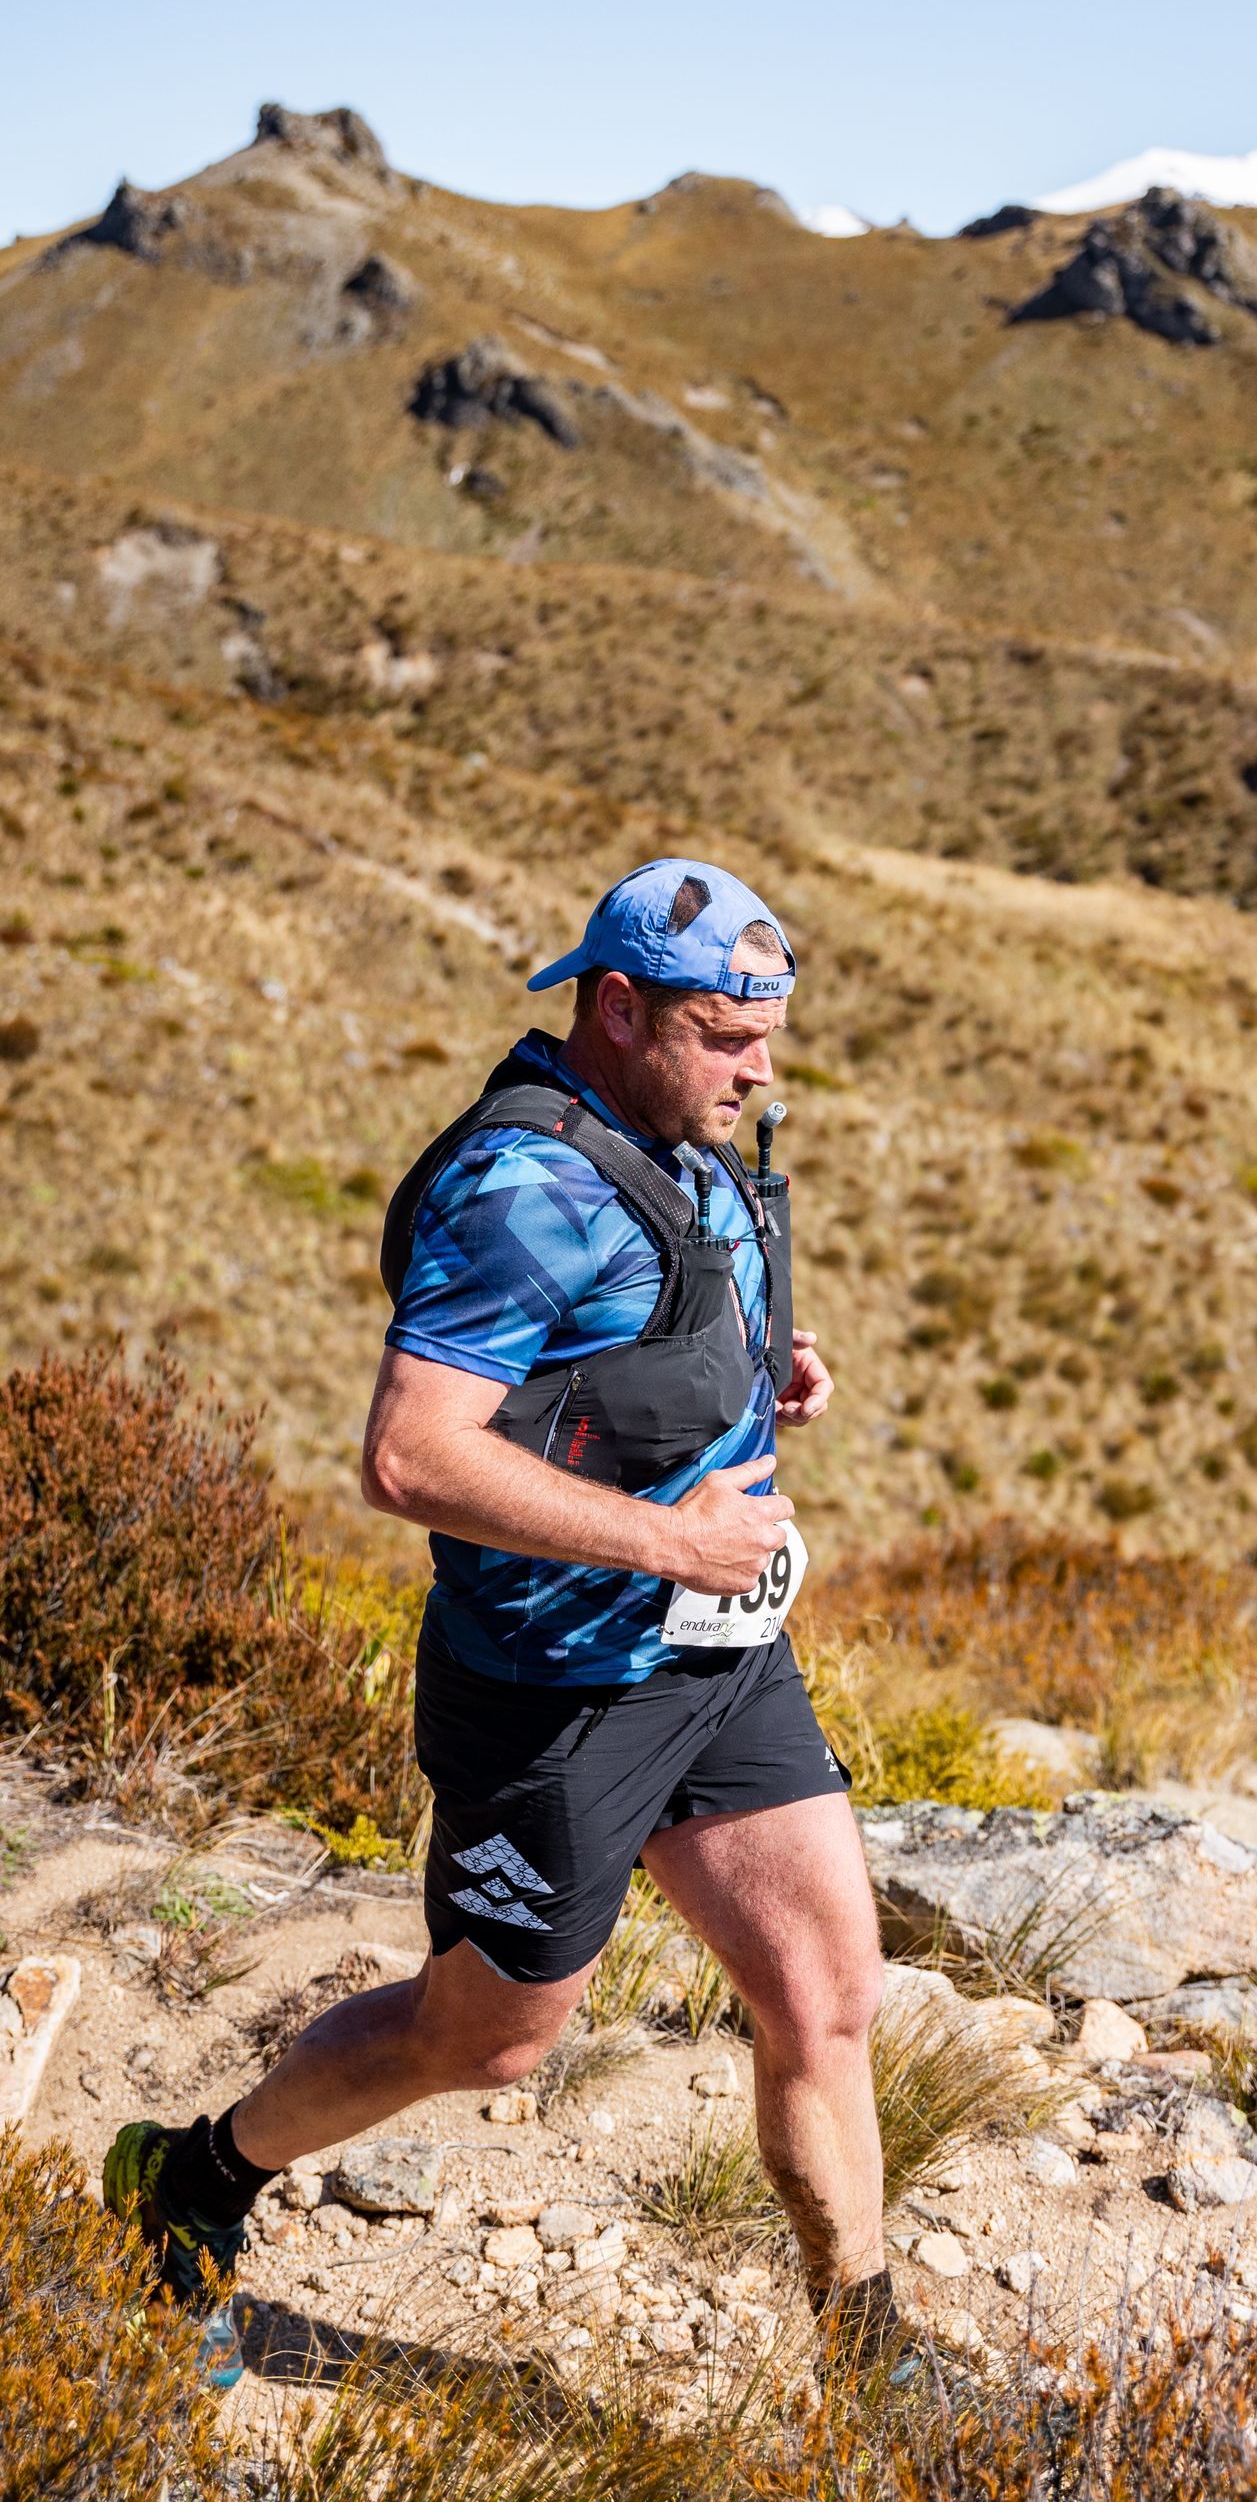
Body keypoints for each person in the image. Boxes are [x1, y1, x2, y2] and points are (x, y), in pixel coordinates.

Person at [106, 860, 905, 2384]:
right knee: (486, 2041)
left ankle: (872, 2370)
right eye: (727, 1035)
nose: (760, 1069)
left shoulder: (677, 1138)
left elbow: (613, 1344)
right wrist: (672, 1536)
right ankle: (194, 2178)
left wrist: (752, 1369)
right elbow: (412, 1456)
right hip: (556, 1689)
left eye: (770, 1035)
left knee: (825, 1997)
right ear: (620, 1009)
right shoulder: (522, 1186)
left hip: (721, 1662)